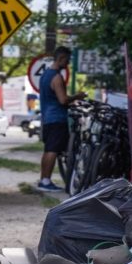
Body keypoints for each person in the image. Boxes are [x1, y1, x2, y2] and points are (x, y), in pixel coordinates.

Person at [38, 46, 86, 192]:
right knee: (53, 150)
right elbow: (63, 100)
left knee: (48, 150)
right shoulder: (57, 77)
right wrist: (77, 96)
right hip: (57, 118)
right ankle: (46, 182)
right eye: (67, 60)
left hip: (47, 118)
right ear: (61, 58)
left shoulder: (45, 75)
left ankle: (43, 179)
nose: (68, 63)